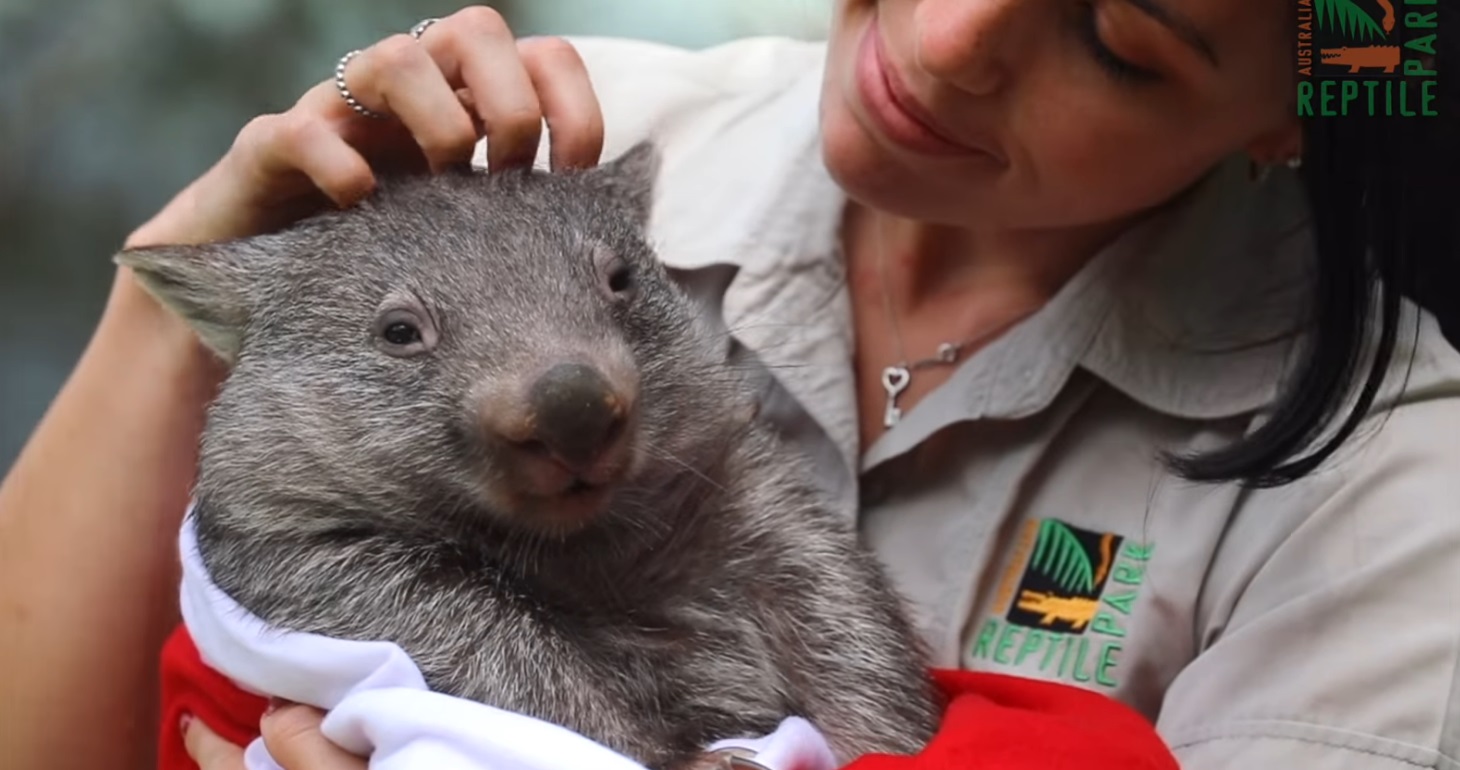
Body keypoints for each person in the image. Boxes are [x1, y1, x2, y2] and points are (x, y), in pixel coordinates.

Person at [2, 2, 1457, 769]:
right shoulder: (570, 143)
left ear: (1296, 110)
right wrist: (178, 293)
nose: (945, 41)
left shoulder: (1396, 502)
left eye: (1116, 38)